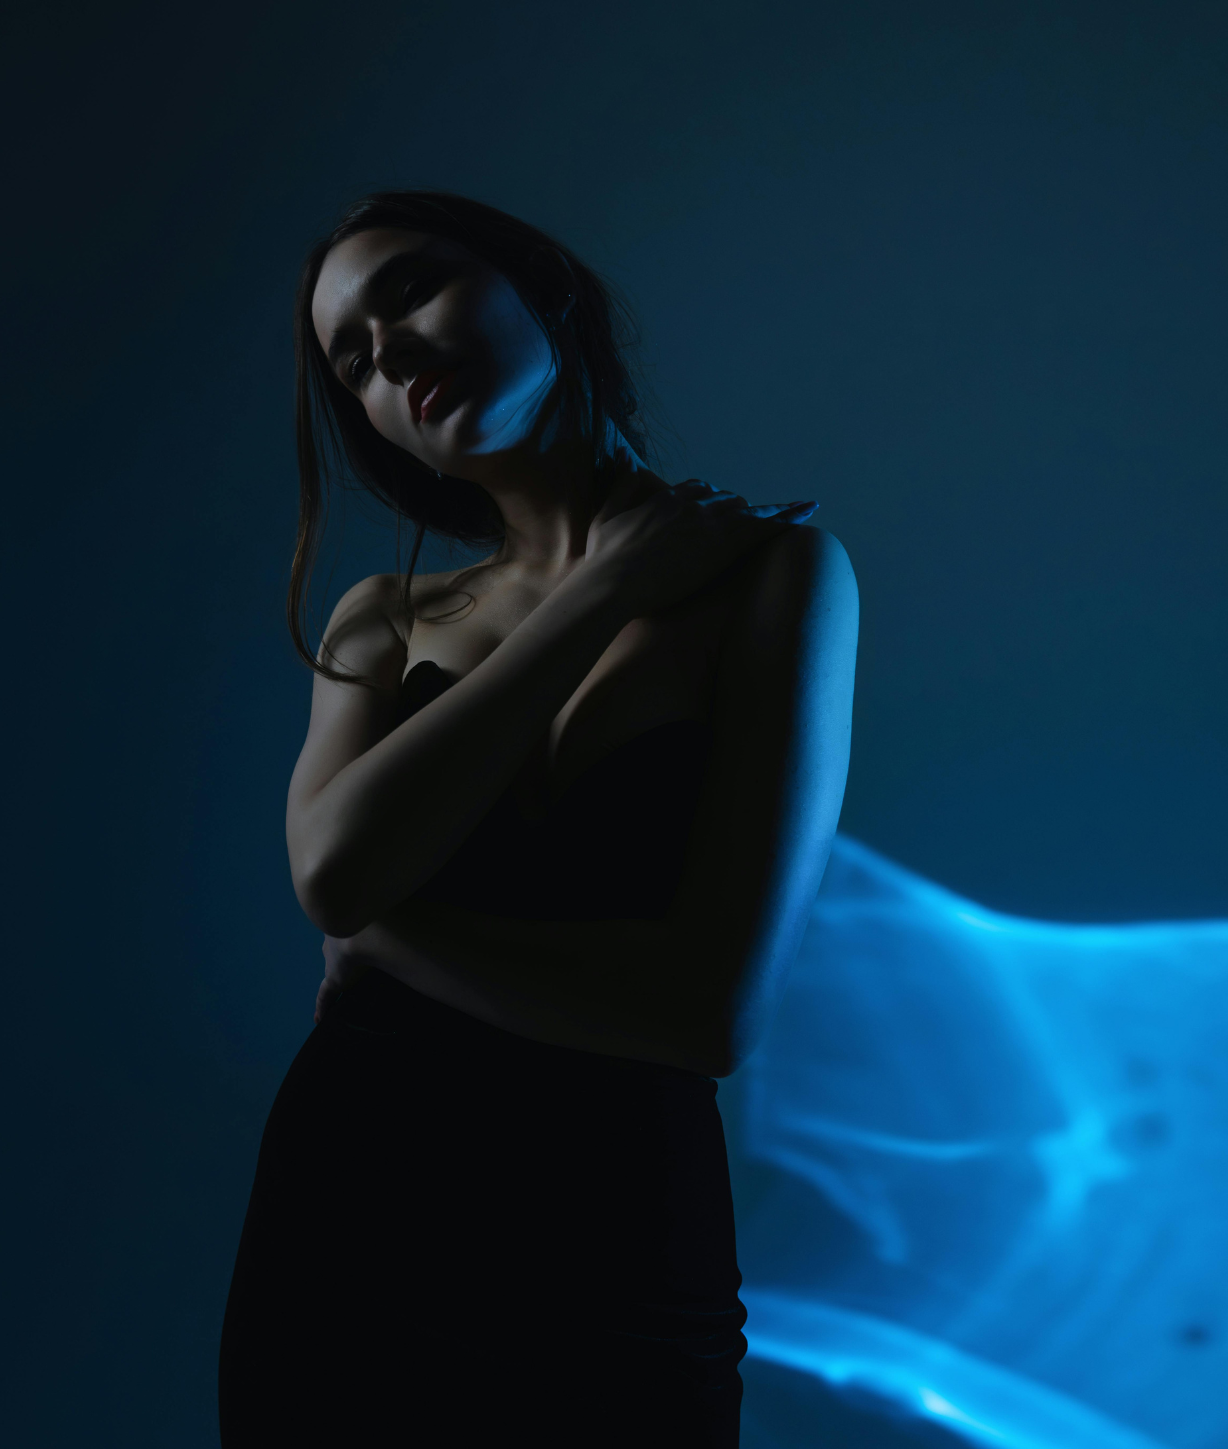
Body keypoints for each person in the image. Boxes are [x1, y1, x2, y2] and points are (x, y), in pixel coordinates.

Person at [217, 190, 859, 1447]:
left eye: (404, 294)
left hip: (617, 1236)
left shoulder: (772, 575)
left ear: (544, 290)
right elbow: (339, 872)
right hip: (351, 1225)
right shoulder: (382, 619)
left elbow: (705, 1013)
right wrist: (605, 590)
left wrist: (385, 933)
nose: (387, 357)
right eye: (350, 360)